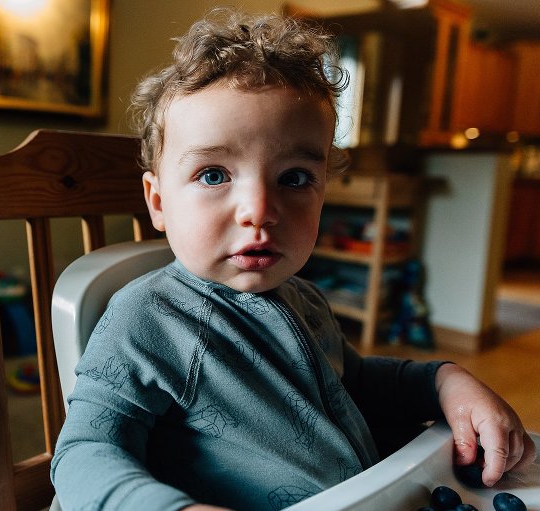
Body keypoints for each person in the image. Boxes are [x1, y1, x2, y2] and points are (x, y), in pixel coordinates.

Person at [50, 8, 535, 510]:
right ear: (157, 202)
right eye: (214, 174)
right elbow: (84, 454)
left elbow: (358, 383)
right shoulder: (146, 319)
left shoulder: (303, 299)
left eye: (295, 178)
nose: (259, 211)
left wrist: (444, 380)